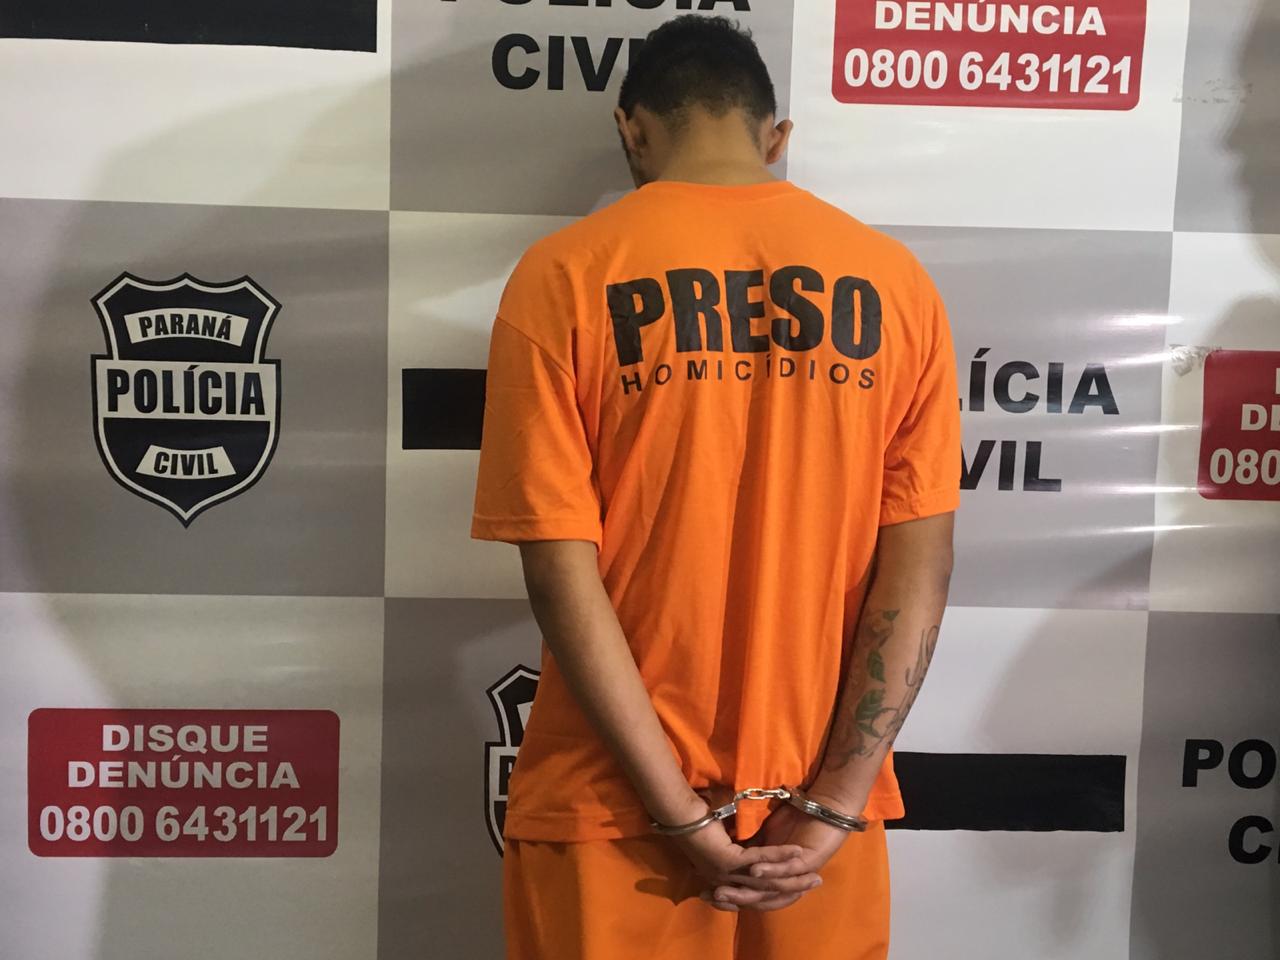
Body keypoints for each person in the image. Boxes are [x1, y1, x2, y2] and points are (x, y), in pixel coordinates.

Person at [470, 14, 960, 960]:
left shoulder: (562, 275)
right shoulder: (898, 285)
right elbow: (920, 572)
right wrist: (835, 805)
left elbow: (560, 572)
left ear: (631, 131)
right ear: (777, 138)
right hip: (813, 832)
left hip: (610, 814)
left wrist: (682, 816)